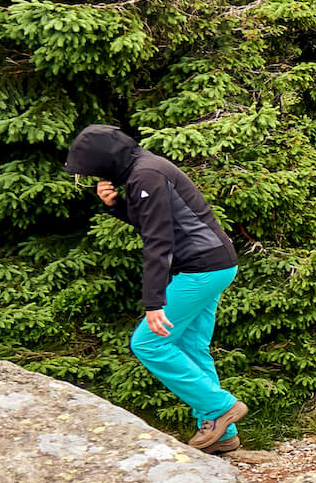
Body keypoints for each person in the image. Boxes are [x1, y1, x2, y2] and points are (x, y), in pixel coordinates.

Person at [65, 125, 245, 453]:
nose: (90, 178)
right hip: (216, 264)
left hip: (200, 269)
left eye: (91, 172)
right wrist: (116, 205)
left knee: (148, 344)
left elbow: (158, 240)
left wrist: (153, 302)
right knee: (191, 346)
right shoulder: (145, 168)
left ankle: (220, 406)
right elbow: (155, 222)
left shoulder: (146, 174)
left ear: (106, 161)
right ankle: (222, 433)